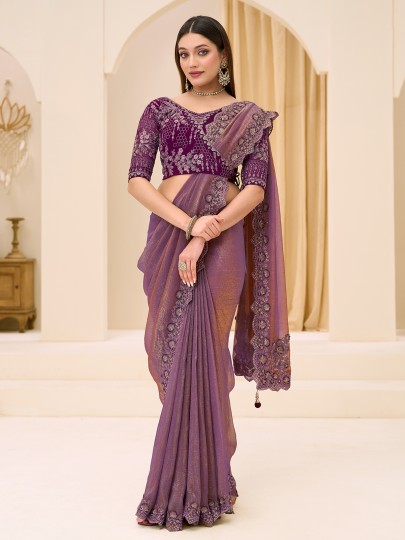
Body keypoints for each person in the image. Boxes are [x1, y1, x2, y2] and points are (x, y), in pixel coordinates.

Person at [127, 15, 291, 532]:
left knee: (206, 353)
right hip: (169, 238)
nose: (192, 62)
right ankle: (195, 472)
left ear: (222, 55)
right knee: (169, 354)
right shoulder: (159, 110)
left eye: (202, 51)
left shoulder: (248, 117)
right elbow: (137, 180)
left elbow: (255, 189)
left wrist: (206, 232)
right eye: (184, 53)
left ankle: (210, 482)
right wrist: (187, 224)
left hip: (222, 245)